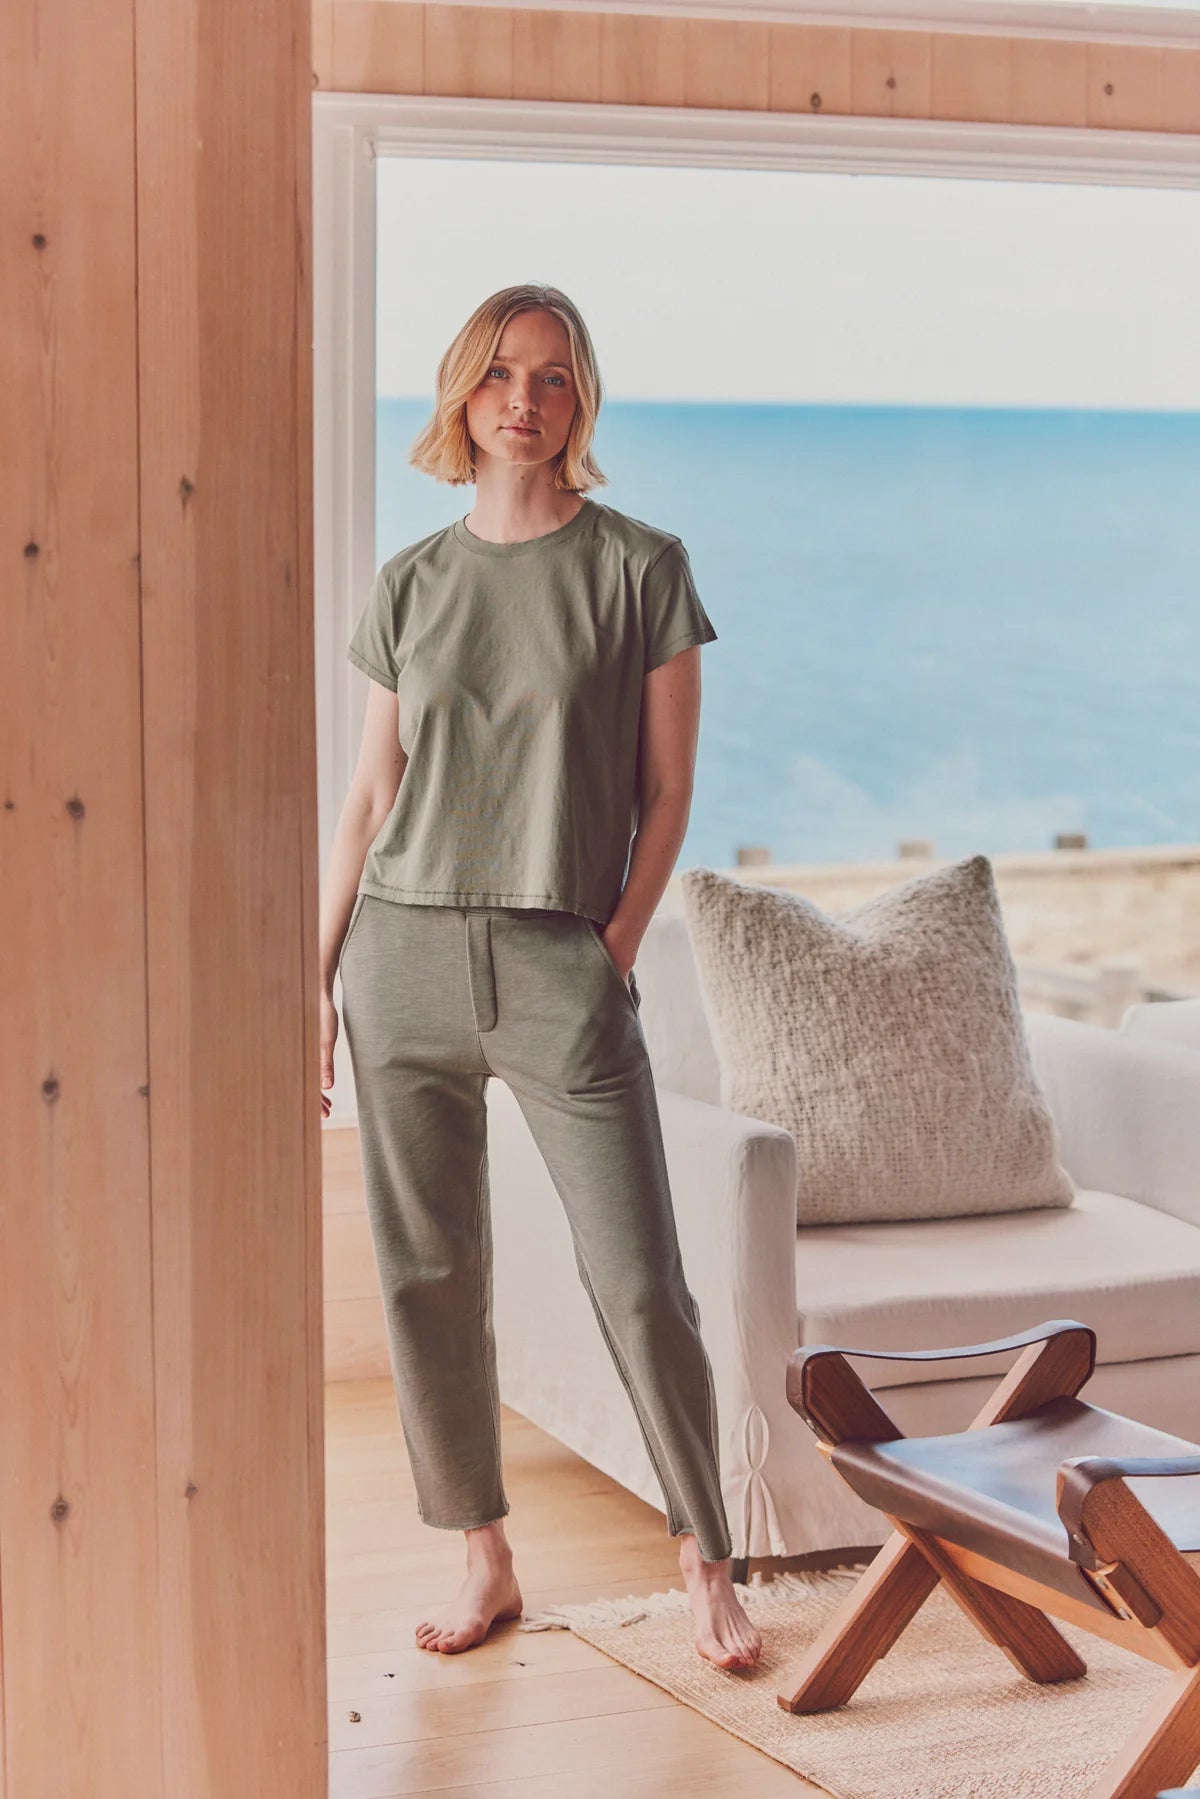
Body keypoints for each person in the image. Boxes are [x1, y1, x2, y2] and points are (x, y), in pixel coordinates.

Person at [318, 282, 762, 1671]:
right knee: (428, 1274)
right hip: (398, 957)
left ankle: (710, 1557)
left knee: (640, 1281)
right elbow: (370, 794)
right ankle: (484, 1555)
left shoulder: (640, 567)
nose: (526, 400)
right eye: (503, 375)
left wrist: (614, 948)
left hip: (559, 958)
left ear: (582, 404)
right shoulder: (412, 584)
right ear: (463, 395)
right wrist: (312, 977)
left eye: (555, 379)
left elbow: (670, 792)